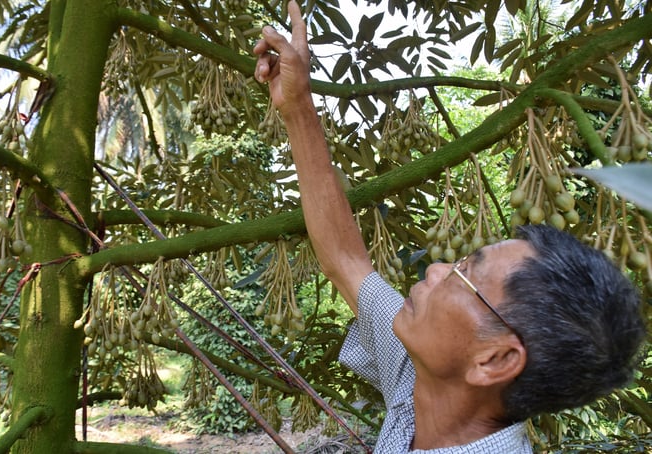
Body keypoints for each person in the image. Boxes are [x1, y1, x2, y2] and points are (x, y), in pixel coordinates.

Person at [254, 3, 647, 452]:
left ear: (495, 359)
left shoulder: (428, 375)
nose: (435, 271)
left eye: (463, 273)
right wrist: (298, 105)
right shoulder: (423, 382)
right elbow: (345, 261)